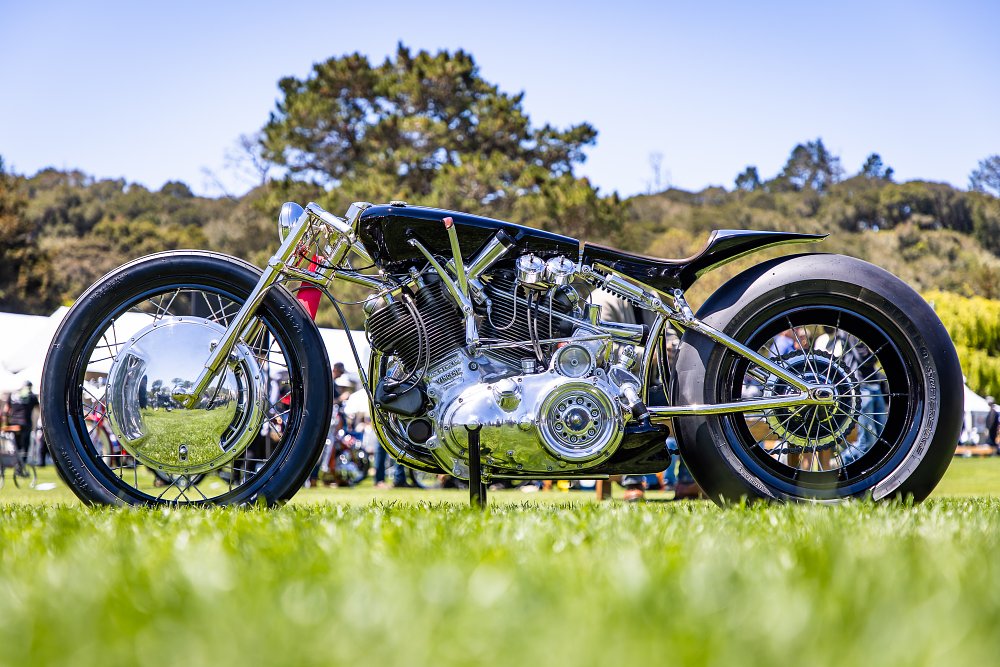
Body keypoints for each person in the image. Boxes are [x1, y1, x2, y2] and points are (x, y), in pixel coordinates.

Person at [3, 381, 39, 472]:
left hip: (13, 425)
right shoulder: (31, 396)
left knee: (16, 446)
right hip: (25, 424)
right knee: (25, 446)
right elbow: (39, 409)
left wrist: (6, 424)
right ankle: (22, 465)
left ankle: (15, 463)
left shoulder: (13, 394)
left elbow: (6, 410)